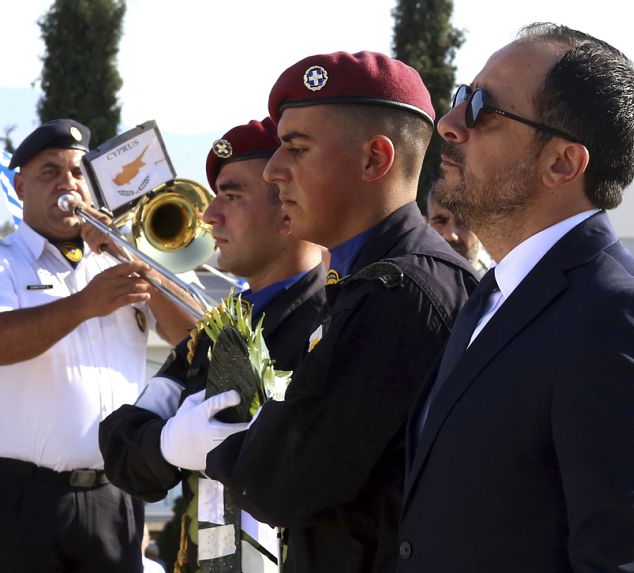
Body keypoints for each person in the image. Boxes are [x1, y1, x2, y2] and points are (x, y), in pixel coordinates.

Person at [397, 23, 634, 572]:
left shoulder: (620, 318)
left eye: (481, 107)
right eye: (461, 97)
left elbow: (628, 561)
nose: (448, 123)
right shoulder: (495, 294)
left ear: (562, 163)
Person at [195, 51, 478, 573]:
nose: (275, 171)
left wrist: (217, 447)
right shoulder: (374, 281)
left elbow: (278, 483)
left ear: (374, 160)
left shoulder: (398, 292)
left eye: (296, 148)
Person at [0, 119, 198, 573]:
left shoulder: (122, 259)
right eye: (50, 173)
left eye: (78, 173)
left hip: (114, 492)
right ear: (20, 186)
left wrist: (135, 259)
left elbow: (191, 341)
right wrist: (84, 304)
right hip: (18, 496)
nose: (68, 184)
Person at [99, 118, 327, 572]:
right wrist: (166, 445)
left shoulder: (337, 319)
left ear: (287, 207)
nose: (209, 216)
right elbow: (121, 446)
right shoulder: (216, 331)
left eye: (232, 196)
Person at [426, 188, 491, 274]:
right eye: (440, 222)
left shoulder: (504, 283)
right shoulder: (407, 281)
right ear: (426, 224)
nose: (450, 235)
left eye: (463, 222)